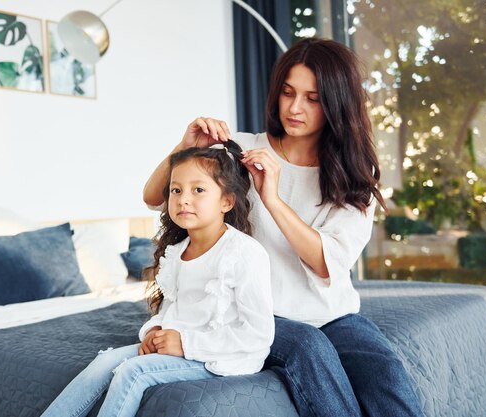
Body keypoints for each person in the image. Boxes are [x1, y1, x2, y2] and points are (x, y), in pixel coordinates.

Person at [143, 38, 424, 417]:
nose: (295, 108)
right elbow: (153, 196)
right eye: (288, 93)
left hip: (333, 314)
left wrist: (272, 198)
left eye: (312, 98)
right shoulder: (239, 150)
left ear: (336, 104)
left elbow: (328, 263)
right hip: (258, 312)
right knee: (309, 348)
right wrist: (184, 146)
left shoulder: (354, 174)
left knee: (385, 373)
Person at [41, 140, 274, 417]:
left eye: (198, 190)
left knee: (133, 371)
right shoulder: (177, 253)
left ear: (227, 200)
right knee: (104, 363)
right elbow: (171, 311)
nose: (184, 198)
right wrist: (154, 331)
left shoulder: (244, 253)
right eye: (176, 190)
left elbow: (259, 335)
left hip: (223, 357)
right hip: (179, 348)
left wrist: (185, 343)